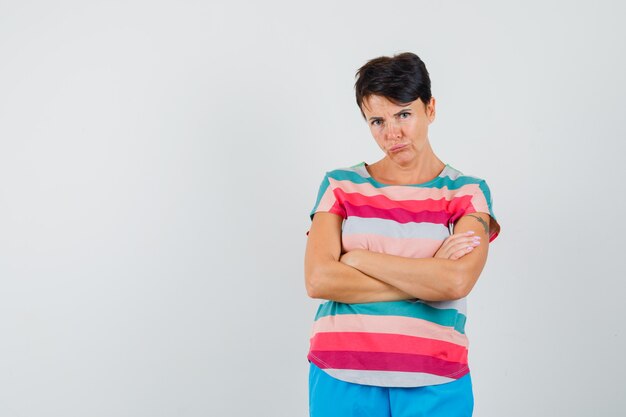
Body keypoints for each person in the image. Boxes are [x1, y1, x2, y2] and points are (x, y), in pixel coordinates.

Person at [304, 52, 501, 417]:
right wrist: (427, 276)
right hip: (341, 374)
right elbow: (319, 279)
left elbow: (456, 281)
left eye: (404, 114)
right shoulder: (340, 185)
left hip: (435, 378)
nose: (391, 133)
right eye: (377, 121)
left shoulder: (467, 192)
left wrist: (359, 261)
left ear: (431, 109)